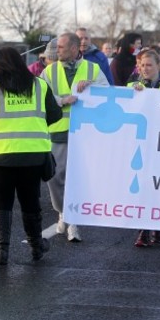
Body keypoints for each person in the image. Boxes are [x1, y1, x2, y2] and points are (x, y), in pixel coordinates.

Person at [0, 47, 63, 264]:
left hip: (0, 154)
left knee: (2, 201)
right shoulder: (40, 85)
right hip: (32, 154)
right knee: (30, 200)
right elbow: (55, 114)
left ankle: (2, 251)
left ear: (1, 66)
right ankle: (37, 246)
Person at [41, 32, 109, 242]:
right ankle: (62, 211)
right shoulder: (49, 71)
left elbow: (108, 94)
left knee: (79, 179)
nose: (56, 51)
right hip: (58, 132)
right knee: (55, 177)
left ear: (73, 48)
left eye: (60, 47)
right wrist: (62, 100)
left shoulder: (93, 69)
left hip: (85, 135)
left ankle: (73, 221)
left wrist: (92, 87)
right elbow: (42, 95)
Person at [127, 49, 160, 247]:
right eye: (142, 65)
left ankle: (158, 224)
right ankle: (143, 230)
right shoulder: (133, 85)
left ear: (158, 66)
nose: (145, 69)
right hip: (142, 142)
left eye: (149, 65)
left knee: (159, 186)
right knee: (144, 184)